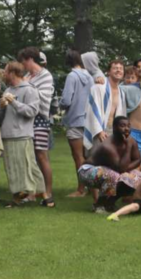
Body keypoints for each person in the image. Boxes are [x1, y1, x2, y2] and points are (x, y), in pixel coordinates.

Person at [0, 61, 46, 207]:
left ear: (13, 73)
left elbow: (32, 111)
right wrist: (1, 106)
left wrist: (14, 103)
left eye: (6, 71)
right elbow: (1, 115)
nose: (4, 74)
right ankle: (18, 197)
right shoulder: (8, 90)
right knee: (12, 168)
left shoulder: (30, 90)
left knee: (28, 166)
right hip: (7, 134)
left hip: (22, 134)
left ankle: (43, 195)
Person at [18, 47, 55, 208]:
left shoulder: (45, 75)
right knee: (29, 157)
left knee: (41, 156)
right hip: (27, 120)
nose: (22, 65)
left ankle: (48, 192)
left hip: (40, 120)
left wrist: (26, 87)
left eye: (23, 61)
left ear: (30, 59)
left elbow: (43, 97)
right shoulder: (27, 76)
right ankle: (32, 192)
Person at [60, 49, 94, 198]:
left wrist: (60, 105)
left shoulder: (72, 76)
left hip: (75, 120)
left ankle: (81, 189)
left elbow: (66, 100)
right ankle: (92, 188)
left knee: (78, 157)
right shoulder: (90, 77)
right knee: (88, 157)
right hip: (89, 121)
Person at [84, 59, 126, 146]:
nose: (118, 70)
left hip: (114, 131)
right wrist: (99, 131)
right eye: (115, 68)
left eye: (121, 68)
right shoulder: (98, 87)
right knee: (97, 154)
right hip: (99, 131)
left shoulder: (122, 93)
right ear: (108, 72)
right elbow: (92, 110)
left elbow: (122, 114)